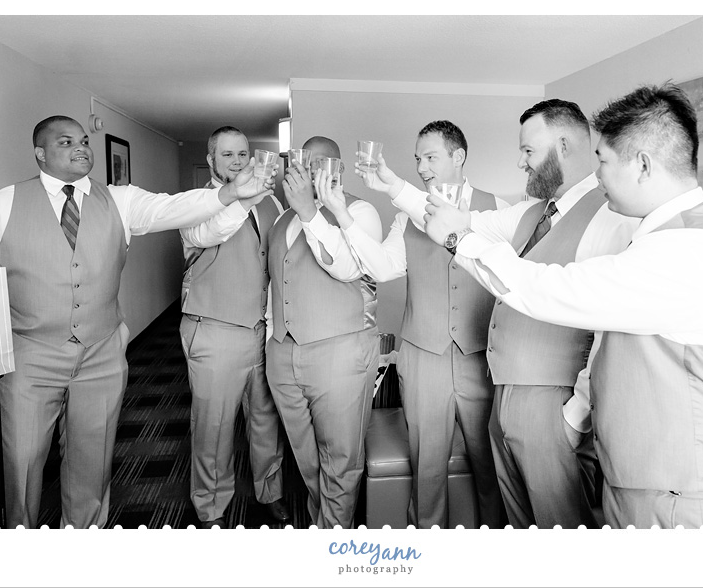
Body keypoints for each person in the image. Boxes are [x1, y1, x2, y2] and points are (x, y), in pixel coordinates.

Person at [422, 84, 703, 529]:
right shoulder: (667, 238)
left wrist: (459, 241)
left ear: (643, 165)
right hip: (651, 485)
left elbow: (554, 290)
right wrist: (577, 417)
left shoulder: (690, 249)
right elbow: (613, 346)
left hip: (687, 500)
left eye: (604, 162)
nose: (598, 176)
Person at [0, 115, 274, 529]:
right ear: (40, 153)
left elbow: (173, 207)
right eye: (66, 141)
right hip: (29, 357)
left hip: (102, 354)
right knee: (22, 462)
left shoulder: (120, 200)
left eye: (85, 140)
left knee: (93, 458)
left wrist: (231, 193)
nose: (81, 148)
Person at [355, 100, 637, 529]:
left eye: (528, 151)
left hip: (551, 401)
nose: (520, 163)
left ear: (563, 146)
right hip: (504, 391)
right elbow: (459, 221)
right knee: (517, 521)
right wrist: (393, 184)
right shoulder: (531, 212)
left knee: (557, 523)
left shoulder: (609, 218)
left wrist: (575, 414)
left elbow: (612, 331)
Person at [318, 121, 505, 528]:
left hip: (482, 361)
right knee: (428, 469)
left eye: (430, 157)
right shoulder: (408, 217)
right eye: (418, 158)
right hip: (423, 359)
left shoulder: (498, 210)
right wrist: (340, 215)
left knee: (492, 467)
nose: (421, 167)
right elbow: (382, 268)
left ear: (458, 157)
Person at [265, 136, 383, 528]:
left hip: (340, 353)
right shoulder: (281, 219)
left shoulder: (361, 211)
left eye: (319, 164)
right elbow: (274, 285)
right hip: (284, 354)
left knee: (342, 457)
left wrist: (309, 211)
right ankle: (327, 520)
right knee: (306, 453)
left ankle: (333, 540)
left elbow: (348, 268)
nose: (307, 172)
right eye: (302, 162)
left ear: (338, 170)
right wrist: (271, 340)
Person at [178, 125, 289, 528]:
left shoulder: (270, 205)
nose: (238, 162)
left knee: (266, 419)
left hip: (262, 330)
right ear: (210, 161)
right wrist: (243, 197)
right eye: (227, 155)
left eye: (243, 154)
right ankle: (210, 507)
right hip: (214, 329)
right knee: (214, 426)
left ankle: (270, 491)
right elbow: (210, 232)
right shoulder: (196, 203)